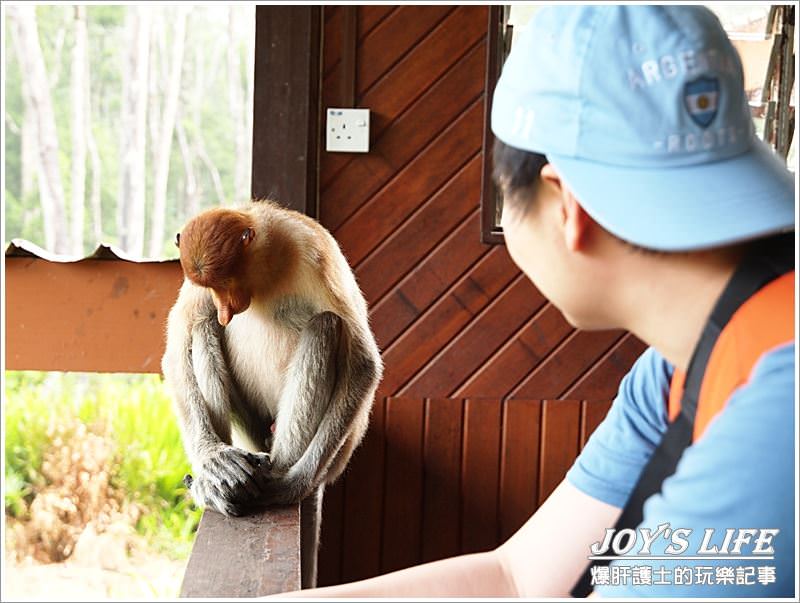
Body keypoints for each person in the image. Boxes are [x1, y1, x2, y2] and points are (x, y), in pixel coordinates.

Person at [280, 6, 796, 597]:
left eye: (505, 193)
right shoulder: (680, 367)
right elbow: (519, 579)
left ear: (565, 206)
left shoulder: (779, 408)